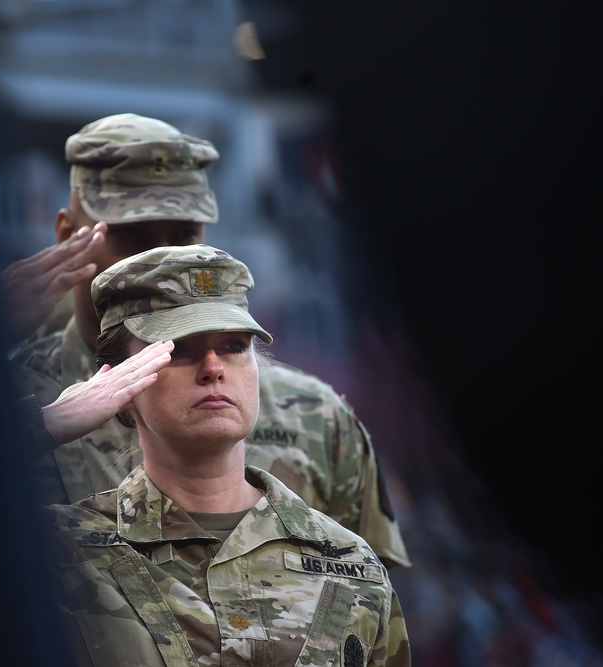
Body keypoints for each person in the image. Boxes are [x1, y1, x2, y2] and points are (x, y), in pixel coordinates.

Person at [8, 112, 411, 568]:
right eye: (129, 235)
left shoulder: (317, 415)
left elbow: (368, 597)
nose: (161, 257)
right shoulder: (6, 401)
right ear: (66, 233)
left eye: (183, 233)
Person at [37, 244, 411, 666]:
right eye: (178, 348)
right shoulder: (57, 552)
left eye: (234, 345)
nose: (214, 366)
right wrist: (45, 424)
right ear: (123, 385)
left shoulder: (350, 563)